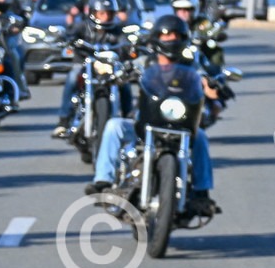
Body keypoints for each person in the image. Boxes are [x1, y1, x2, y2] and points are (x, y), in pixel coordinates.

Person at [84, 15, 220, 217]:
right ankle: (103, 181)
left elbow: (205, 80)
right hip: (145, 122)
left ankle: (202, 192)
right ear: (157, 38)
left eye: (176, 36)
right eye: (166, 35)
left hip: (179, 122)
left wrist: (212, 86)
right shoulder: (145, 61)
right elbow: (124, 67)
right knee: (114, 126)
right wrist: (118, 73)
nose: (171, 40)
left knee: (200, 136)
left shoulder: (191, 65)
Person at [54, 0, 130, 137]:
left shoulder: (117, 30)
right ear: (93, 13)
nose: (105, 17)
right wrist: (67, 39)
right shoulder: (82, 27)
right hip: (84, 64)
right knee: (72, 78)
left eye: (109, 13)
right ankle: (63, 120)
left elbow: (124, 43)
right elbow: (69, 34)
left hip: (109, 67)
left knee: (125, 85)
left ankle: (129, 119)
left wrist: (129, 46)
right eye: (102, 13)